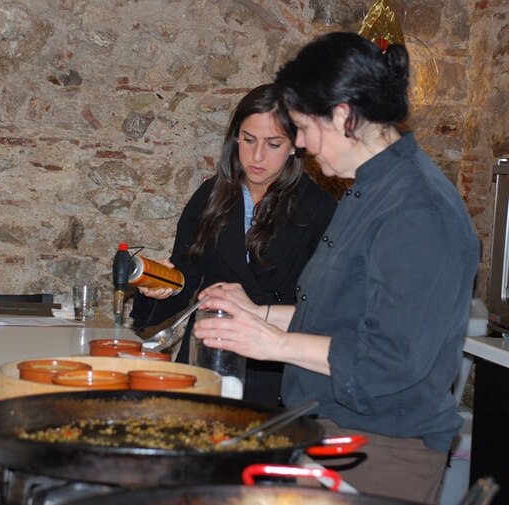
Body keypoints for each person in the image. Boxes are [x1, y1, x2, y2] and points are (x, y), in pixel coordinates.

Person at [193, 32, 479, 504]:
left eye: (304, 127)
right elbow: (340, 318)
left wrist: (276, 344)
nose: (300, 144)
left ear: (345, 115)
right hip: (327, 433)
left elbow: (391, 360)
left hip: (382, 452)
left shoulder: (418, 209)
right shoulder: (368, 189)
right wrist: (258, 314)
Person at [130, 83, 337, 406]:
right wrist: (160, 286)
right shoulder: (210, 195)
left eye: (273, 144)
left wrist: (260, 312)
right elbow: (185, 282)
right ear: (235, 137)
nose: (256, 157)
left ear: (295, 145)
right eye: (248, 140)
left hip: (276, 369)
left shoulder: (318, 208)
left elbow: (325, 308)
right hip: (209, 358)